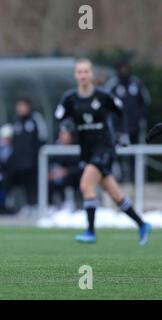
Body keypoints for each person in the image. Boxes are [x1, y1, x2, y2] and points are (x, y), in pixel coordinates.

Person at [55, 58, 151, 245]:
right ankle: (142, 224)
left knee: (86, 185)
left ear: (91, 75)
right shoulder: (70, 99)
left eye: (86, 71)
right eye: (79, 72)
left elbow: (120, 112)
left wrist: (123, 134)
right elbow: (60, 117)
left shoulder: (103, 96)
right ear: (75, 75)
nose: (83, 75)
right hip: (87, 150)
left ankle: (90, 231)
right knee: (115, 195)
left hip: (104, 148)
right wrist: (64, 127)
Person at [9, 98, 47, 215]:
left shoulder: (36, 119)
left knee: (34, 183)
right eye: (18, 106)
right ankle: (27, 206)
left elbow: (42, 137)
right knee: (23, 184)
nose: (20, 109)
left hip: (34, 161)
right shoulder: (17, 122)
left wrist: (36, 155)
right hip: (20, 161)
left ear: (29, 106)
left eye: (22, 106)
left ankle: (36, 205)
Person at [104, 60, 151, 144]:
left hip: (135, 126)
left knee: (137, 150)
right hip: (117, 126)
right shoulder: (112, 84)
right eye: (121, 68)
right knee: (118, 149)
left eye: (126, 68)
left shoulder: (137, 83)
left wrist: (141, 117)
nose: (124, 70)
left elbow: (145, 101)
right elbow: (105, 103)